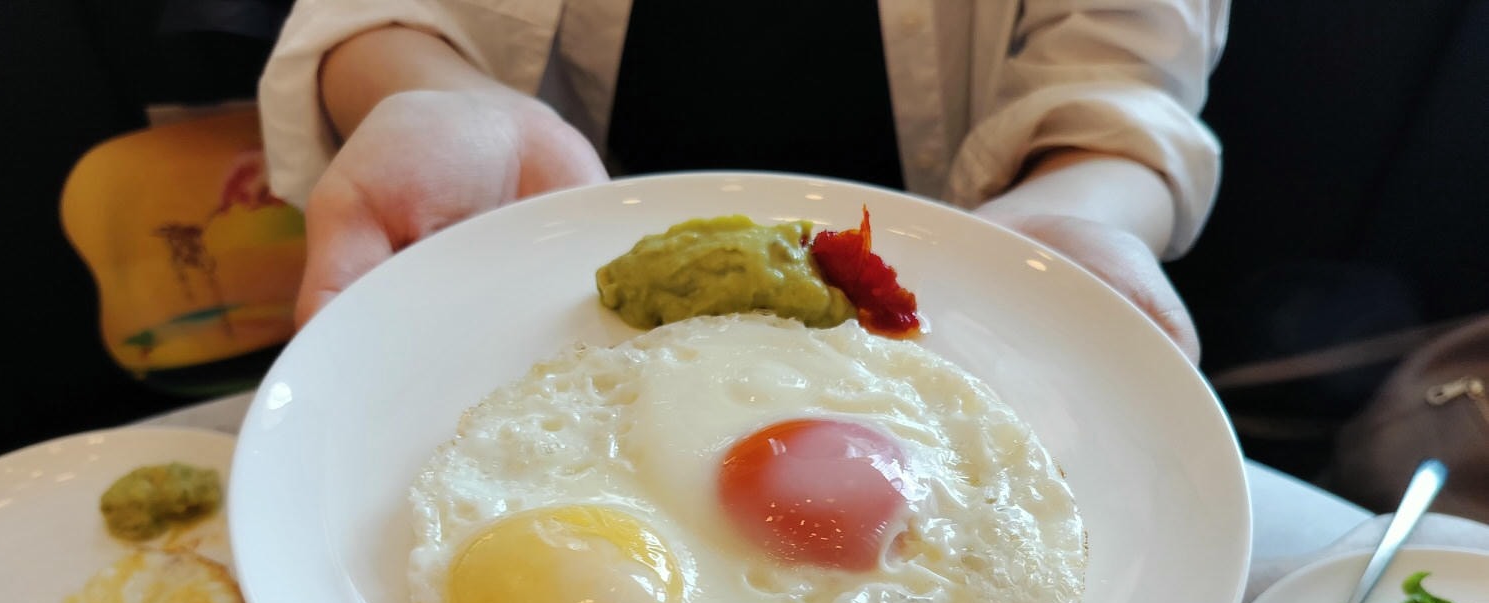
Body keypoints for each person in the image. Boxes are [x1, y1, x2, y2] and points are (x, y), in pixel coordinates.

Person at [256, 0, 1228, 361]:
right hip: (557, 295)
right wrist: (442, 96)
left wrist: (1070, 209)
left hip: (946, 322)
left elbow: (1123, 85)